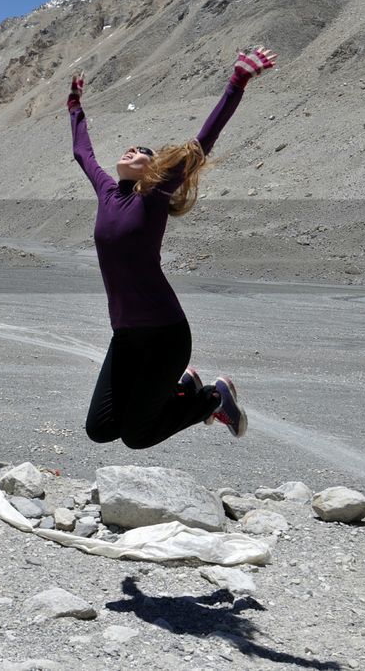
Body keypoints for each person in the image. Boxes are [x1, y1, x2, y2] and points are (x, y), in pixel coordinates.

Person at [68, 47, 277, 449]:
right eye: (130, 148)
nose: (132, 151)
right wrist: (75, 105)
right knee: (101, 428)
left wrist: (237, 81)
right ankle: (183, 388)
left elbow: (202, 143)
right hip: (125, 336)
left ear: (154, 169)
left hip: (165, 334)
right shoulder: (107, 192)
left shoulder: (154, 195)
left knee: (136, 436)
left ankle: (211, 399)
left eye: (142, 153)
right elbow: (82, 152)